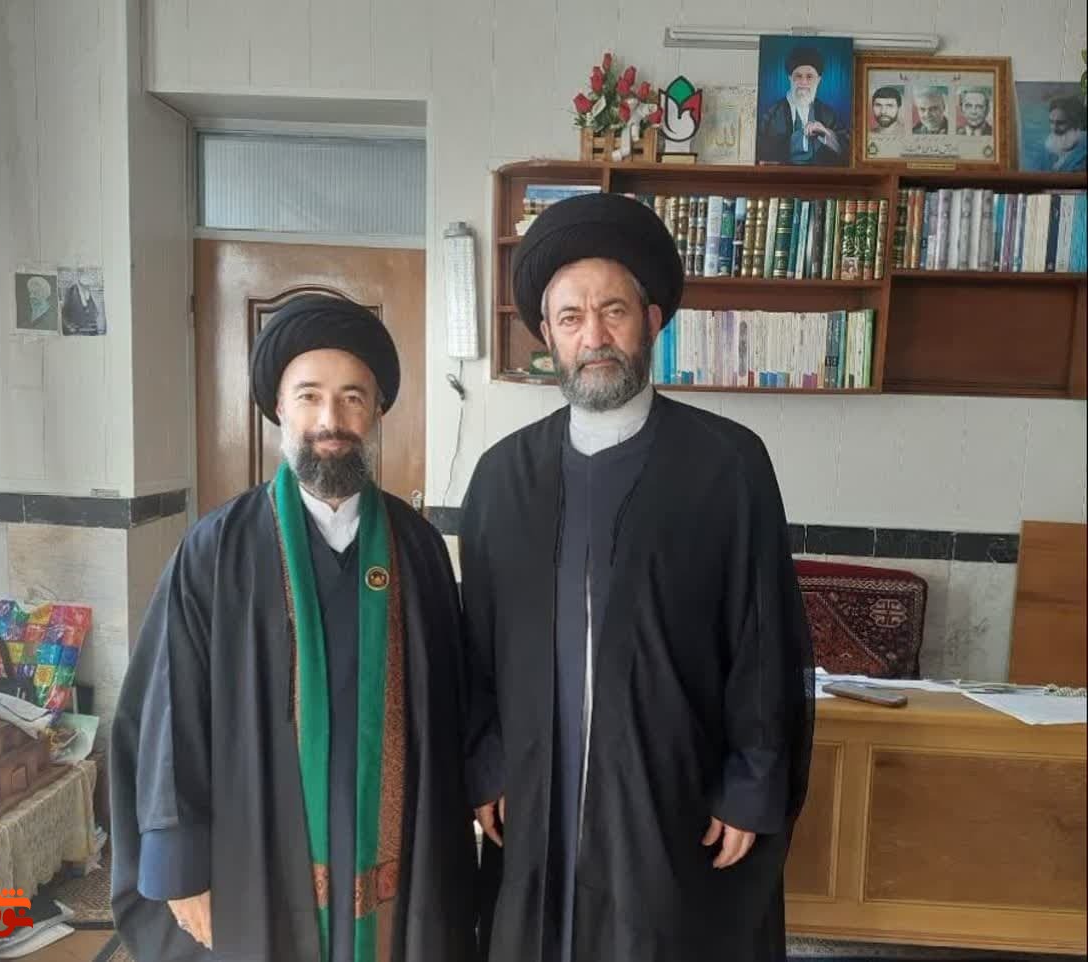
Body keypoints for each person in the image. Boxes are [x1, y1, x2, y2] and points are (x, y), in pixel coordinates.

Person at [460, 193, 814, 962]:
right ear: (546, 336)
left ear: (651, 321)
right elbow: (475, 650)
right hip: (535, 789)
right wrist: (486, 767)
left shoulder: (727, 465)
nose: (593, 336)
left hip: (672, 789)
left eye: (612, 311)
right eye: (570, 317)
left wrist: (750, 782)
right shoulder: (500, 479)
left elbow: (763, 642)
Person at [111, 293, 477, 962]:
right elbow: (168, 714)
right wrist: (180, 867)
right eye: (309, 397)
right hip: (257, 854)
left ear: (377, 412)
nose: (329, 420)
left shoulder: (418, 550)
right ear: (279, 408)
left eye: (352, 398)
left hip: (394, 862)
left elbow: (454, 713)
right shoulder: (215, 551)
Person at [757, 45, 849, 165]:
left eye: (809, 77)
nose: (803, 82)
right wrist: (800, 138)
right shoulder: (773, 113)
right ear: (790, 78)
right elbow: (762, 153)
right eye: (798, 76)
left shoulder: (827, 114)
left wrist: (826, 134)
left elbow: (846, 149)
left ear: (818, 80)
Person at [1029, 96, 1088, 171]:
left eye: (1060, 123)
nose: (1054, 128)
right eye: (1051, 122)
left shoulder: (1084, 153)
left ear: (1076, 124)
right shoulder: (1046, 149)